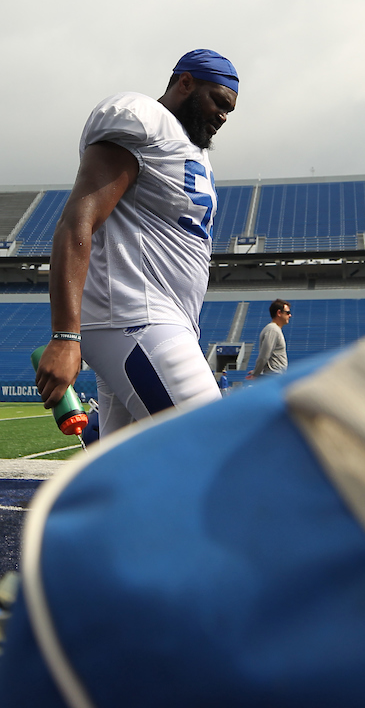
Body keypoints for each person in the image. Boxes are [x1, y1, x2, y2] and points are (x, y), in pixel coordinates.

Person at [34, 49, 239, 439]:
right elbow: (78, 220)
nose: (222, 116)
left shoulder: (189, 148)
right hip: (136, 317)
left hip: (155, 319)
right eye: (218, 102)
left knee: (121, 472)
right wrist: (64, 335)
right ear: (186, 83)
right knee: (218, 446)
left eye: (229, 110)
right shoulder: (143, 117)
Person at [247, 299, 291, 378]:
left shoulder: (274, 329)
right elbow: (264, 355)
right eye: (287, 313)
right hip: (273, 376)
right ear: (279, 313)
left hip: (274, 375)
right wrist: (255, 374)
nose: (290, 315)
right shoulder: (273, 330)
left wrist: (256, 372)